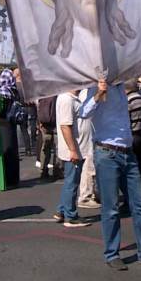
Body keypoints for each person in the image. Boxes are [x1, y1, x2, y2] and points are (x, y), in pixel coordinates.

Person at [79, 78, 141, 270]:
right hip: (107, 152)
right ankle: (112, 253)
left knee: (139, 204)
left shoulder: (121, 89)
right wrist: (98, 94)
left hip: (127, 152)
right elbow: (83, 113)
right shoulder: (96, 86)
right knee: (111, 208)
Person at [53, 90, 93, 227]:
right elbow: (65, 125)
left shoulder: (72, 98)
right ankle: (70, 216)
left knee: (70, 181)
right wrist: (72, 150)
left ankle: (62, 210)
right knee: (72, 182)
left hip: (78, 148)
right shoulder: (66, 99)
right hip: (73, 150)